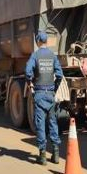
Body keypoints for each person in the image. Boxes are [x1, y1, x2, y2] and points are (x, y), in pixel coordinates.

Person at [25, 31, 64, 165]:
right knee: (53, 123)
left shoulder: (35, 56)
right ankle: (56, 153)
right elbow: (59, 74)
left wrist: (30, 84)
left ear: (38, 42)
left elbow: (28, 71)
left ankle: (42, 156)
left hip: (40, 94)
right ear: (46, 42)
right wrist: (55, 88)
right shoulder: (53, 56)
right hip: (50, 94)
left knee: (40, 124)